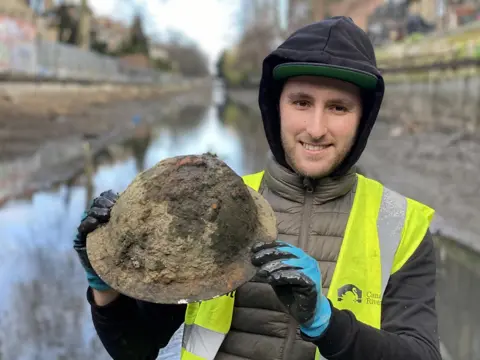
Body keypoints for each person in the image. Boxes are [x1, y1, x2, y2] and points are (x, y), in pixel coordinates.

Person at [74, 16, 442, 360]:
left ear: (363, 118)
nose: (316, 128)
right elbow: (137, 348)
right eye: (301, 102)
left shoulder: (400, 225)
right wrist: (107, 286)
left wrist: (328, 323)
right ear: (275, 107)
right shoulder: (220, 203)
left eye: (338, 108)